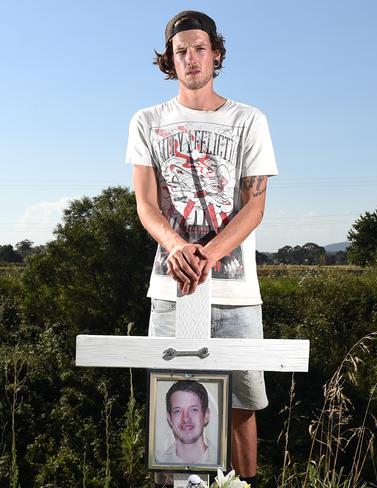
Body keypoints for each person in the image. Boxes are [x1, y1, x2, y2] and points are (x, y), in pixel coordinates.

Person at [125, 10, 278, 486]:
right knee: (173, 403)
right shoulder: (147, 121)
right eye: (181, 51)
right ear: (170, 61)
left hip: (235, 291)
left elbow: (253, 207)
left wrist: (208, 255)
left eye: (199, 48)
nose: (191, 58)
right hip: (172, 291)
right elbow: (146, 206)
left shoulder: (248, 119)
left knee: (242, 404)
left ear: (216, 54)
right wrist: (176, 247)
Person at [157, 380, 217, 465]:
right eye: (178, 411)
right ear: (169, 418)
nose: (185, 418)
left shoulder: (219, 460)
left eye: (193, 410)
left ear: (206, 415)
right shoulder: (159, 461)